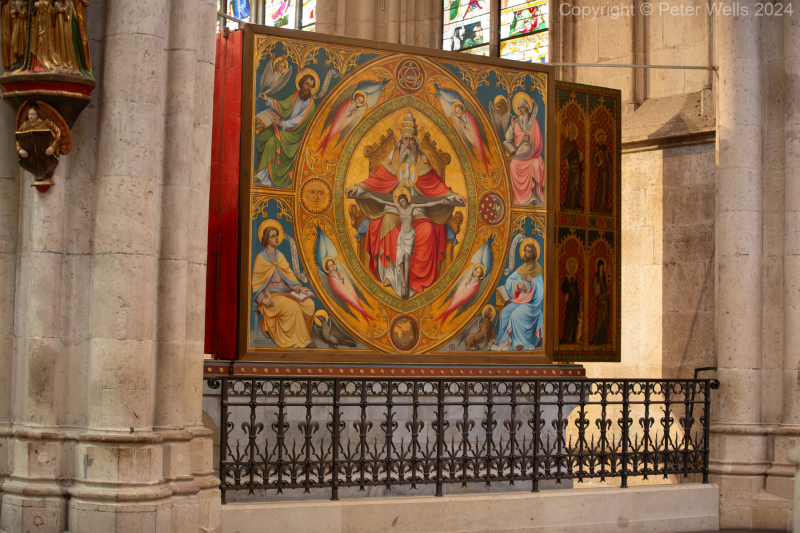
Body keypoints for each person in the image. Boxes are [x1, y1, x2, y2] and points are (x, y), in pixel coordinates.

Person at [346, 112, 465, 298]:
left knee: (427, 230)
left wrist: (452, 197)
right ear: (400, 142)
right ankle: (394, 277)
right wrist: (358, 190)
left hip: (419, 213)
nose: (408, 143)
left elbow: (437, 190)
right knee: (385, 223)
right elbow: (375, 182)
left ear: (416, 144)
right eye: (405, 139)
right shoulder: (391, 162)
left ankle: (414, 281)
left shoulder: (423, 164)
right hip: (393, 210)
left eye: (411, 140)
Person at [360, 186, 455, 299]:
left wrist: (441, 200)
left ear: (407, 200)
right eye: (400, 202)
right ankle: (398, 279)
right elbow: (383, 201)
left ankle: (405, 283)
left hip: (409, 235)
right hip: (402, 236)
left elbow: (426, 204)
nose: (402, 204)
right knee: (400, 258)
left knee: (406, 258)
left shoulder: (412, 207)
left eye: (403, 201)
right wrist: (371, 196)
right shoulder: (399, 208)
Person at [251, 220, 316, 348]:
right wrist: (262, 299)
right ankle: (302, 341)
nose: (276, 238)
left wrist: (299, 288)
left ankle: (302, 335)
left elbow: (288, 275)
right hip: (270, 296)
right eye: (273, 236)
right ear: (266, 239)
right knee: (293, 307)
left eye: (277, 235)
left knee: (309, 304)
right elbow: (256, 284)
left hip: (285, 293)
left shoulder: (279, 255)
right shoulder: (260, 258)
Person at [255, 70, 318, 187]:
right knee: (262, 138)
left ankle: (263, 175)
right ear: (301, 83)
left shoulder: (311, 104)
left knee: (271, 143)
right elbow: (282, 105)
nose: (308, 87)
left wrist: (282, 124)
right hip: (283, 126)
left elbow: (299, 120)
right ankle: (262, 169)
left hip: (294, 135)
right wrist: (267, 100)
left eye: (311, 85)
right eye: (306, 84)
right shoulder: (295, 96)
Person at [493, 238, 543, 351]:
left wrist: (532, 280)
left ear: (533, 254)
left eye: (528, 251)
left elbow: (541, 290)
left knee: (515, 315)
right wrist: (518, 284)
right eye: (524, 250)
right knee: (505, 312)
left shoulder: (538, 269)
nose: (525, 253)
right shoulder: (521, 268)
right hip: (520, 300)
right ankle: (502, 343)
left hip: (531, 303)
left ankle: (520, 343)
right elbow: (509, 280)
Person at [505, 93, 544, 205]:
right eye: (518, 108)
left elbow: (538, 140)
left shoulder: (533, 121)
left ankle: (533, 196)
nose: (520, 110)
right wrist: (512, 126)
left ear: (527, 108)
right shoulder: (516, 122)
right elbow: (508, 138)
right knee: (513, 164)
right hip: (521, 153)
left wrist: (530, 139)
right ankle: (519, 196)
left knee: (535, 164)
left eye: (522, 107)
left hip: (533, 153)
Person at [560, 257, 581, 344]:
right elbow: (563, 287)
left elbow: (576, 289)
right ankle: (566, 338)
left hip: (575, 301)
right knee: (568, 320)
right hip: (570, 302)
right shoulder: (567, 277)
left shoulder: (575, 278)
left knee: (574, 321)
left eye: (573, 268)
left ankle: (572, 339)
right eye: (571, 267)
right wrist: (566, 293)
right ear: (569, 268)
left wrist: (580, 295)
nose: (572, 269)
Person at [562, 122, 583, 210]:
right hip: (571, 167)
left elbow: (576, 154)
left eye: (574, 134)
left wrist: (580, 157)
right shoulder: (567, 144)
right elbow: (565, 155)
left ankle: (575, 204)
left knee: (577, 185)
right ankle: (569, 204)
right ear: (569, 134)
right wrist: (567, 162)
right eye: (571, 134)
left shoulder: (574, 143)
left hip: (577, 166)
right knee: (571, 185)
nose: (573, 136)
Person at [590, 259, 610, 345]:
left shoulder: (604, 277)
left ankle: (603, 340)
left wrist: (607, 293)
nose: (602, 268)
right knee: (599, 321)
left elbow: (605, 287)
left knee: (604, 320)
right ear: (598, 267)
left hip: (605, 300)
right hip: (601, 300)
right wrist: (602, 293)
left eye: (603, 266)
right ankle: (596, 340)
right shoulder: (596, 277)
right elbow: (594, 287)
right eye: (601, 266)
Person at [592, 130, 612, 213]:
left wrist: (607, 155)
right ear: (598, 138)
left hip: (606, 171)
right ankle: (597, 207)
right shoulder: (597, 149)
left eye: (603, 137)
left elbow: (610, 160)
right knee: (600, 189)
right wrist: (598, 164)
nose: (602, 139)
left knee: (605, 189)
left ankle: (603, 207)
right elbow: (593, 159)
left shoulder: (605, 148)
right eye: (601, 137)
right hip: (601, 171)